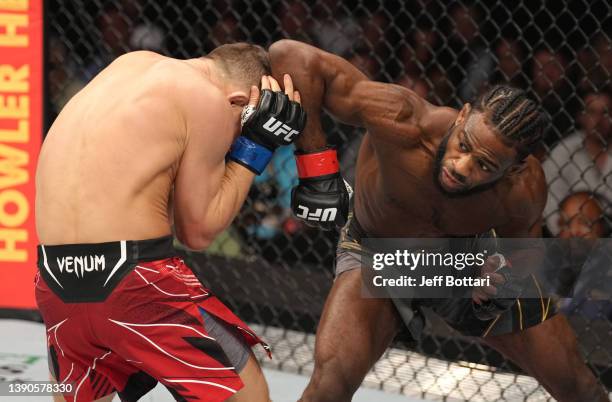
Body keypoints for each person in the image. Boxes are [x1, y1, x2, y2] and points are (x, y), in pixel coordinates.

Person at [269, 39, 609, 402]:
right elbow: (289, 55)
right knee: (329, 387)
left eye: (484, 165)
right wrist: (316, 167)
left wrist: (499, 277)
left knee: (580, 388)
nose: (461, 169)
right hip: (381, 256)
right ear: (462, 115)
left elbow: (519, 248)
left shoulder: (524, 189)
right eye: (464, 146)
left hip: (463, 260)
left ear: (515, 168)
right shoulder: (402, 119)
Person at [35, 43, 306, 402]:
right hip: (134, 280)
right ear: (239, 101)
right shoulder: (209, 98)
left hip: (55, 282)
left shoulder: (128, 65)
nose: (233, 142)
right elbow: (197, 230)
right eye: (243, 127)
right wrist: (255, 146)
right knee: (248, 395)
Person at [542, 89, 612, 235]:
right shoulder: (565, 151)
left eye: (605, 113)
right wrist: (566, 233)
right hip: (572, 235)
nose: (598, 120)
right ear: (581, 116)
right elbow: (549, 198)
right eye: (592, 112)